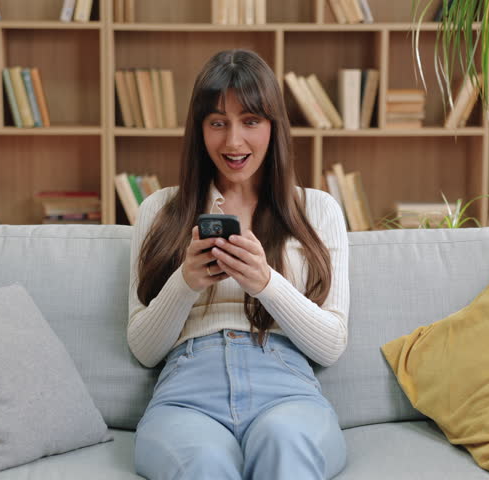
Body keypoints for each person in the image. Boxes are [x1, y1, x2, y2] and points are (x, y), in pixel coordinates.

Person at [127, 49, 349, 480]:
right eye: (217, 123)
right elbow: (142, 347)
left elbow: (332, 344)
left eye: (250, 121)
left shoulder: (318, 210)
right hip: (187, 390)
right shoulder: (158, 210)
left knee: (286, 443)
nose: (233, 142)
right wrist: (185, 283)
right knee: (203, 462)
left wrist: (267, 284)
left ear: (273, 126)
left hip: (285, 387)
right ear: (200, 130)